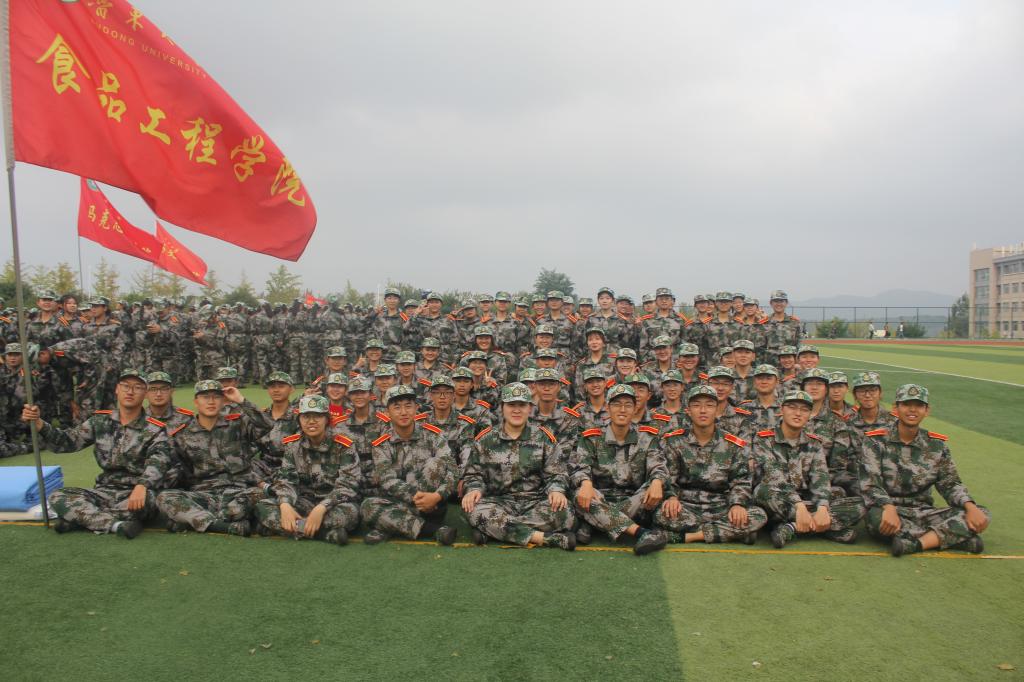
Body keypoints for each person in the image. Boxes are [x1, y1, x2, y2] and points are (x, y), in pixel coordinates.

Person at [21, 368, 171, 538]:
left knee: (150, 502)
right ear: (117, 389)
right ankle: (115, 525)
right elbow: (68, 441)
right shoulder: (99, 421)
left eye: (137, 387)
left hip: (136, 491)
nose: (130, 392)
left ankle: (80, 518)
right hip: (103, 491)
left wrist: (142, 485)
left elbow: (159, 461)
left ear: (145, 394)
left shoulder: (155, 429)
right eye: (125, 386)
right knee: (58, 496)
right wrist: (39, 423)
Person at [860, 384, 990, 556]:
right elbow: (871, 484)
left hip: (924, 511)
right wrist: (889, 508)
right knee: (874, 518)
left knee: (981, 513)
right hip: (890, 509)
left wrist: (970, 506)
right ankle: (951, 537)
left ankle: (916, 544)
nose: (912, 410)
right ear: (895, 408)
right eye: (906, 404)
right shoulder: (875, 441)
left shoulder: (936, 445)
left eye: (919, 405)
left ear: (927, 410)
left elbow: (950, 484)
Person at [461, 382, 576, 550]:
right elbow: (473, 474)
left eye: (522, 405)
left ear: (530, 408)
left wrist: (556, 490)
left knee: (565, 511)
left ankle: (496, 530)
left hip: (535, 502)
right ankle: (544, 538)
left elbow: (556, 473)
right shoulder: (485, 439)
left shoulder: (544, 438)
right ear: (502, 408)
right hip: (499, 502)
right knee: (472, 510)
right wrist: (474, 489)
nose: (516, 410)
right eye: (511, 405)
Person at [752, 391, 865, 548]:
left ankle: (792, 527)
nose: (798, 413)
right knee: (762, 491)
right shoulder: (763, 439)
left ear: (809, 414)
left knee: (849, 497)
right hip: (780, 498)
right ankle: (825, 527)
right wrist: (798, 506)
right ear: (781, 409)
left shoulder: (814, 443)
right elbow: (774, 477)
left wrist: (823, 507)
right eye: (792, 407)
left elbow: (821, 478)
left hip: (805, 498)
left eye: (804, 409)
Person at [655, 385, 767, 544]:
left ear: (716, 410)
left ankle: (688, 536)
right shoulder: (674, 441)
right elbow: (669, 478)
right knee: (660, 513)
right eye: (696, 405)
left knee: (758, 515)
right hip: (686, 506)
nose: (703, 410)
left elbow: (741, 481)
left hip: (720, 506)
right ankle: (730, 532)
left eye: (709, 405)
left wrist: (737, 504)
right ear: (688, 411)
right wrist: (671, 497)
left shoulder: (733, 444)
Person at [156, 381, 270, 536]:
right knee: (164, 497)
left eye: (216, 397)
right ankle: (223, 525)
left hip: (239, 492)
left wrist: (241, 400)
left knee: (259, 494)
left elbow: (267, 425)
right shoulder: (182, 435)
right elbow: (181, 470)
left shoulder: (237, 424)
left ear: (223, 401)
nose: (211, 401)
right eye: (205, 397)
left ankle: (193, 521)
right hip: (204, 495)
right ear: (196, 402)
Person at [570, 384, 670, 554]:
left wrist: (657, 481)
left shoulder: (647, 437)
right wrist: (585, 482)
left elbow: (658, 465)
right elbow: (579, 467)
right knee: (579, 493)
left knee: (654, 487)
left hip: (634, 500)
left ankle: (595, 523)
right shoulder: (591, 438)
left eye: (628, 405)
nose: (622, 410)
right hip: (600, 498)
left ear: (635, 409)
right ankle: (641, 533)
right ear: (607, 408)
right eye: (616, 404)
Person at [255, 394, 362, 545]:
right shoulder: (293, 445)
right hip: (304, 502)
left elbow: (348, 485)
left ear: (327, 419)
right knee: (263, 506)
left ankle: (289, 528)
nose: (311, 421)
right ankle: (324, 533)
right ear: (299, 420)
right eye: (306, 416)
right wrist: (285, 504)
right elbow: (286, 480)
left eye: (317, 416)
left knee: (352, 513)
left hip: (334, 504)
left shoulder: (343, 445)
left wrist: (321, 508)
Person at [360, 385, 459, 545]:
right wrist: (417, 498)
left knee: (436, 463)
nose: (403, 412)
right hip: (400, 503)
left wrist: (436, 496)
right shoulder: (381, 444)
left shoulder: (433, 435)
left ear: (416, 408)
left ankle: (388, 525)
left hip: (432, 505)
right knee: (367, 506)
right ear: (387, 412)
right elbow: (387, 480)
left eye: (408, 406)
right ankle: (434, 530)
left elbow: (453, 470)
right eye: (397, 407)